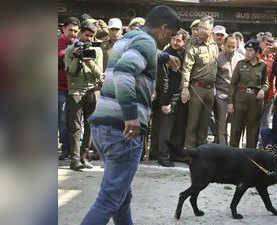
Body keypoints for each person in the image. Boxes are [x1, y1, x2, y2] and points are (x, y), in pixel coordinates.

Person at [80, 5, 181, 225]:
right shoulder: (145, 42)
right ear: (163, 28)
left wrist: (164, 57)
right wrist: (131, 116)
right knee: (109, 199)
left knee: (121, 195)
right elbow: (124, 74)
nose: (169, 40)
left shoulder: (130, 38)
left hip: (103, 127)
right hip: (123, 131)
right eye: (171, 35)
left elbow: (140, 54)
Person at [64, 21, 103, 170]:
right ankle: (74, 159)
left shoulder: (97, 51)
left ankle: (84, 157)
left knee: (90, 125)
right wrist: (75, 57)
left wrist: (89, 61)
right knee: (75, 127)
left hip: (91, 91)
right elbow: (71, 72)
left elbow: (100, 74)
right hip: (75, 91)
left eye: (92, 36)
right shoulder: (70, 50)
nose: (89, 39)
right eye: (86, 35)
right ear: (80, 33)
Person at [151, 29, 189, 167]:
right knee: (166, 129)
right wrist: (165, 102)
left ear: (184, 42)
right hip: (168, 96)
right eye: (173, 39)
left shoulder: (186, 54)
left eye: (178, 40)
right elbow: (164, 80)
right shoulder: (166, 55)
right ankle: (163, 155)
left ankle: (175, 154)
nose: (175, 42)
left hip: (182, 96)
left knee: (179, 128)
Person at [180, 16, 218, 148]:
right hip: (196, 88)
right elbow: (187, 67)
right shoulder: (193, 44)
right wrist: (185, 88)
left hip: (210, 89)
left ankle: (202, 152)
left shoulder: (214, 45)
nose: (200, 30)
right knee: (193, 123)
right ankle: (189, 152)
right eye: (199, 27)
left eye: (204, 28)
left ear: (211, 29)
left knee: (205, 123)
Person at [228, 39, 269, 148]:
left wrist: (262, 90)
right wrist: (230, 102)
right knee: (236, 130)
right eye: (246, 50)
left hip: (255, 103)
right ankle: (232, 155)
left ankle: (250, 158)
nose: (247, 53)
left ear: (256, 52)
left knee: (252, 132)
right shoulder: (240, 64)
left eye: (250, 50)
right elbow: (233, 84)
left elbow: (266, 83)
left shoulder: (262, 66)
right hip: (240, 100)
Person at [213, 35, 244, 145]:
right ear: (224, 45)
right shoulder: (218, 58)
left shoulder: (240, 58)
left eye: (234, 47)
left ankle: (234, 147)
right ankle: (222, 148)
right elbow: (213, 77)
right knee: (222, 124)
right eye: (229, 46)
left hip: (236, 95)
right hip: (222, 95)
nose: (231, 49)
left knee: (236, 124)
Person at [58, 17, 80, 160]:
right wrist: (71, 51)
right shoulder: (58, 42)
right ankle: (65, 149)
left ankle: (70, 150)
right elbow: (59, 56)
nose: (73, 33)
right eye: (70, 30)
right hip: (59, 87)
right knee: (62, 118)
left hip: (74, 88)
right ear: (64, 29)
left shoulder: (79, 43)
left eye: (75, 31)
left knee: (72, 120)